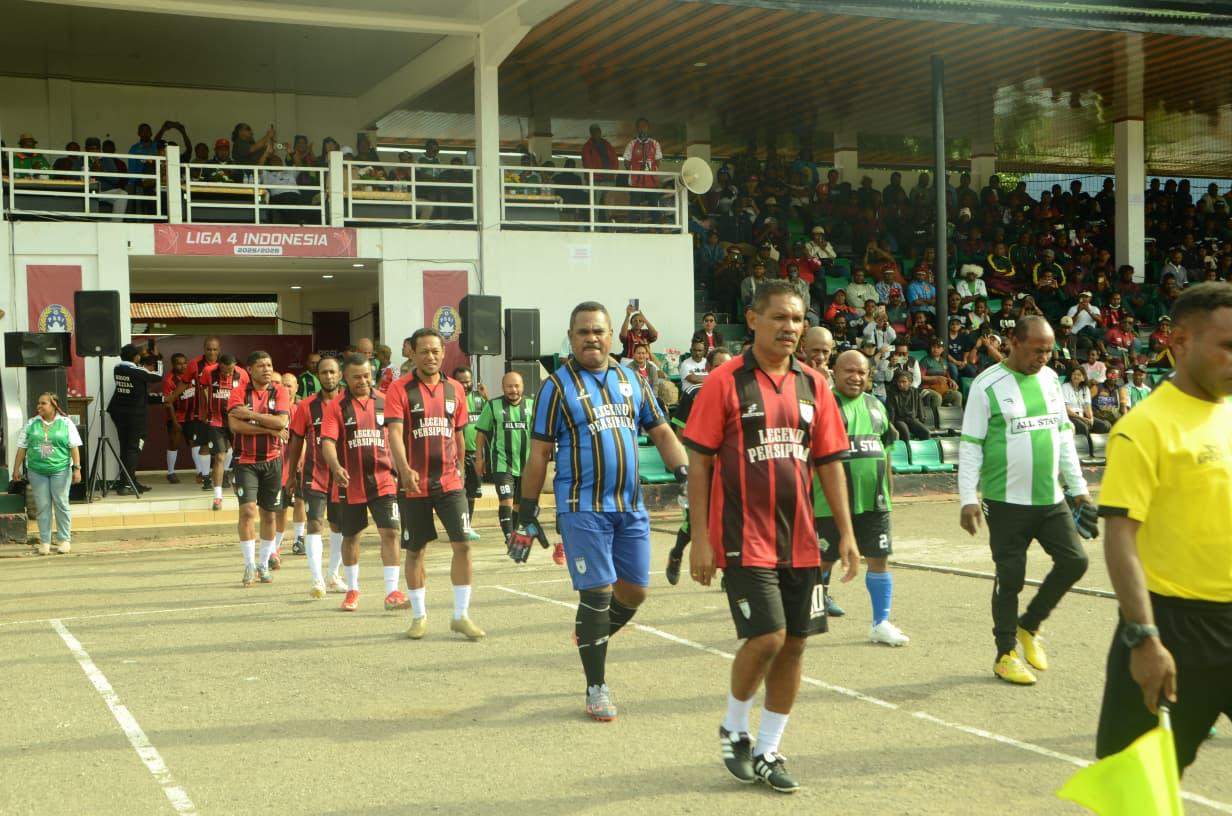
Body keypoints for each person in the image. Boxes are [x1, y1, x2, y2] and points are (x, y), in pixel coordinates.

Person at [685, 279, 857, 793]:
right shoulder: (724, 382)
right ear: (753, 320)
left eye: (797, 319)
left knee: (796, 644)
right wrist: (701, 538)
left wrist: (846, 535)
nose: (789, 327)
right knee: (768, 637)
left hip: (802, 538)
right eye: (779, 317)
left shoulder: (814, 384)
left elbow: (830, 464)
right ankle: (734, 727)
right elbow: (699, 464)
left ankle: (768, 749)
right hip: (743, 535)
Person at [511, 300, 688, 722]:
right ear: (571, 338)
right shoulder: (556, 387)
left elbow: (662, 432)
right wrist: (527, 511)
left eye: (598, 331)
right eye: (583, 332)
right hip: (581, 507)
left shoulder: (632, 379)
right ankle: (596, 686)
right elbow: (538, 455)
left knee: (636, 592)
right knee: (597, 593)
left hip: (630, 505)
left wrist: (685, 472)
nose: (592, 338)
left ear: (612, 336)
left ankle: (591, 635)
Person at [1094, 281, 1232, 773]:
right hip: (1175, 628)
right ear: (1179, 342)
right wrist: (1145, 638)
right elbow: (1120, 538)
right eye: (1227, 345)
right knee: (1135, 786)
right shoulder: (1143, 428)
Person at [958, 315, 1092, 686]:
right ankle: (1005, 654)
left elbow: (1063, 435)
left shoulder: (1050, 380)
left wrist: (1078, 488)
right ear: (1013, 342)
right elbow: (971, 445)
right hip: (1005, 502)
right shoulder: (986, 385)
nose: (1044, 358)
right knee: (1011, 577)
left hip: (1050, 498)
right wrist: (967, 497)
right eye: (1037, 350)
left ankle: (1028, 625)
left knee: (1075, 561)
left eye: (1049, 351)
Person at [384, 329, 484, 641]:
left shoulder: (456, 389)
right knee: (416, 550)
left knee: (463, 545)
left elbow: (458, 433)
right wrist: (403, 469)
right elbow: (394, 433)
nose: (430, 356)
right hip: (413, 484)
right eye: (424, 351)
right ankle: (419, 617)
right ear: (412, 354)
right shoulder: (399, 389)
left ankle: (461, 615)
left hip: (449, 482)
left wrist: (462, 469)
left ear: (443, 353)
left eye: (435, 351)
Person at [816, 351, 907, 645]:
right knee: (822, 561)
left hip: (874, 502)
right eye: (849, 371)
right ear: (835, 372)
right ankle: (809, 615)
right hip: (827, 504)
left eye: (862, 372)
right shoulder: (823, 404)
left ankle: (880, 622)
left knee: (879, 559)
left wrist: (889, 492)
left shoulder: (876, 405)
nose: (856, 377)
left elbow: (886, 452)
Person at [318, 354, 406, 612]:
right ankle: (353, 589)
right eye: (356, 377)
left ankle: (392, 591)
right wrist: (336, 467)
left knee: (391, 532)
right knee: (351, 536)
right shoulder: (337, 406)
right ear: (345, 378)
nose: (363, 381)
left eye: (367, 375)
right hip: (350, 483)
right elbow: (328, 442)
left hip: (384, 480)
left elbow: (399, 437)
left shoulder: (385, 401)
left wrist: (404, 469)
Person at [664, 347, 732, 587]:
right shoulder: (694, 393)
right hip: (701, 466)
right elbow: (680, 434)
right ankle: (676, 554)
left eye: (728, 366)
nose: (724, 371)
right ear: (708, 369)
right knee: (694, 521)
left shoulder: (738, 393)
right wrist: (689, 466)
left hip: (727, 467)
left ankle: (728, 573)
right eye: (719, 366)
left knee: (728, 519)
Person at [285, 356, 348, 597]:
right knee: (314, 523)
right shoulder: (306, 406)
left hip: (342, 475)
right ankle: (317, 579)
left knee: (339, 525)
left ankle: (333, 574)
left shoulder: (349, 402)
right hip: (315, 474)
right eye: (324, 372)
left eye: (332, 372)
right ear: (318, 376)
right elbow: (296, 440)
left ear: (340, 375)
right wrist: (292, 474)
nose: (329, 376)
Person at [226, 352, 290, 586]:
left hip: (273, 460)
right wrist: (269, 428)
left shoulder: (280, 391)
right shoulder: (238, 392)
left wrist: (251, 415)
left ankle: (263, 564)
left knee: (269, 514)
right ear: (250, 370)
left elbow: (281, 422)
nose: (267, 369)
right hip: (245, 461)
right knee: (247, 511)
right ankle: (249, 565)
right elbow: (235, 425)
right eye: (261, 365)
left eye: (269, 365)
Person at [474, 371, 537, 548]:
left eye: (516, 386)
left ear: (523, 386)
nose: (513, 390)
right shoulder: (493, 406)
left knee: (518, 505)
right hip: (502, 463)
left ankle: (516, 536)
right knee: (506, 500)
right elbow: (481, 433)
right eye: (509, 386)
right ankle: (509, 537)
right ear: (503, 387)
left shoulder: (532, 405)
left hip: (526, 465)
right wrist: (479, 458)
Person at [13, 393, 82, 555]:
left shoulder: (66, 423)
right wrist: (16, 469)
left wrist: (77, 468)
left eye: (43, 403)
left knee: (61, 504)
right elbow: (22, 448)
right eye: (38, 403)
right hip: (37, 471)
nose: (39, 406)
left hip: (61, 470)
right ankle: (45, 542)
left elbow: (74, 447)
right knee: (43, 506)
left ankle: (64, 540)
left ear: (54, 405)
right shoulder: (31, 423)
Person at [106, 342, 163, 495]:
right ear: (136, 357)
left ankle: (128, 481)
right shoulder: (137, 371)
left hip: (119, 414)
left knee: (125, 448)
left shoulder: (118, 368)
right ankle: (127, 485)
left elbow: (138, 387)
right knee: (133, 448)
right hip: (134, 416)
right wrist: (157, 357)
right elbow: (158, 376)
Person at [201, 353, 249, 510]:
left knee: (240, 455)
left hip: (236, 420)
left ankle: (237, 482)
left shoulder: (242, 374)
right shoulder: (208, 372)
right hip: (216, 420)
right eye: (224, 370)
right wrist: (204, 410)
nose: (228, 374)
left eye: (230, 370)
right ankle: (217, 496)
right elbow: (203, 389)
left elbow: (248, 394)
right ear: (218, 365)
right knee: (219, 457)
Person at [452, 365, 487, 540]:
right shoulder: (450, 399)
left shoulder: (480, 399)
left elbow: (493, 416)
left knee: (471, 493)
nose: (465, 385)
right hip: (455, 455)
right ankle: (457, 527)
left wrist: (486, 397)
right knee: (458, 492)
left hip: (474, 454)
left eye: (467, 382)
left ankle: (467, 526)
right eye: (461, 382)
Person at [162, 353, 195, 484]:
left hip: (192, 417)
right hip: (176, 417)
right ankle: (170, 473)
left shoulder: (192, 376)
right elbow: (168, 402)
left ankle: (202, 473)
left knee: (195, 444)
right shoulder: (169, 380)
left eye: (184, 363)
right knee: (174, 443)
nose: (183, 366)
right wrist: (175, 422)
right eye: (179, 364)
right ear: (173, 365)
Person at [1061, 366, 1110, 435]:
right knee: (1083, 427)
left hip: (1082, 415)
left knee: (1105, 425)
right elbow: (1066, 409)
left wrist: (1091, 418)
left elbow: (1087, 406)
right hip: (1070, 416)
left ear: (1083, 378)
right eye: (1074, 374)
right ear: (1071, 376)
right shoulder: (1065, 387)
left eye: (1079, 375)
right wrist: (1082, 418)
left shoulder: (1085, 388)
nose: (1076, 376)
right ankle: (1088, 442)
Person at [885, 369, 932, 441]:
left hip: (911, 419)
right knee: (905, 432)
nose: (901, 384)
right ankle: (907, 447)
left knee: (926, 433)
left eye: (904, 382)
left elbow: (920, 408)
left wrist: (922, 420)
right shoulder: (892, 393)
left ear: (910, 383)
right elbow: (891, 411)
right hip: (899, 420)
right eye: (899, 382)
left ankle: (922, 448)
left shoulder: (915, 392)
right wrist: (891, 424)